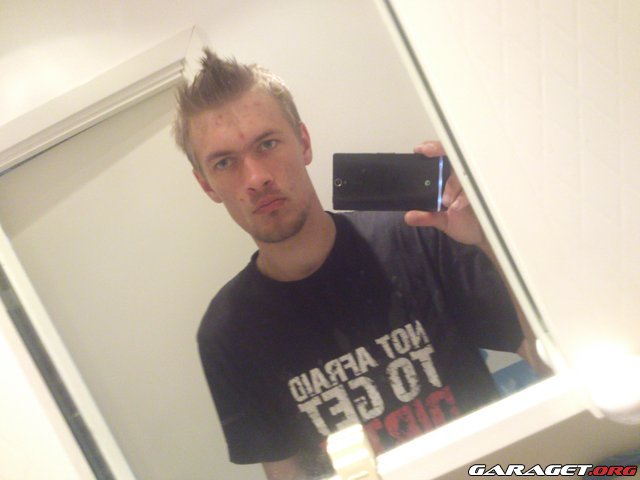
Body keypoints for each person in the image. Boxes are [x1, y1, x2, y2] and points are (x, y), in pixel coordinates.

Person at [173, 49, 544, 479]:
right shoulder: (227, 332)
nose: (256, 177)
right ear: (207, 184)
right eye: (225, 162)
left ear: (304, 143)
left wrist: (489, 239)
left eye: (267, 144)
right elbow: (285, 474)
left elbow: (548, 362)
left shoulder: (418, 234)